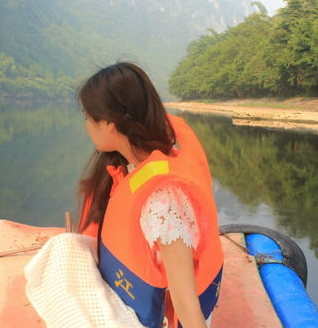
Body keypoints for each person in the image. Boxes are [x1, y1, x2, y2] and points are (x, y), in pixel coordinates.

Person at [77, 62, 223, 328]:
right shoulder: (132, 168)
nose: (86, 126)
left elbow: (187, 308)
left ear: (109, 123)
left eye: (88, 118)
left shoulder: (164, 200)